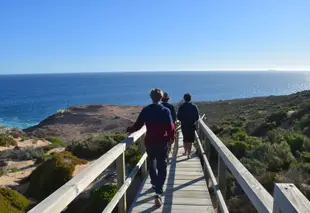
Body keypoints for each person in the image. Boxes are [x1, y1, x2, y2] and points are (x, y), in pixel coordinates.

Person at [127, 88, 175, 207]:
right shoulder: (166, 110)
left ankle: (154, 183)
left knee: (151, 163)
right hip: (162, 142)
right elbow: (170, 127)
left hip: (150, 142)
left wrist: (130, 130)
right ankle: (158, 192)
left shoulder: (146, 110)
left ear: (151, 97)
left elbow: (138, 125)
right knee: (162, 165)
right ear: (161, 97)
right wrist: (172, 138)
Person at [177, 93, 199, 158]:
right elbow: (197, 117)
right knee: (190, 140)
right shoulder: (194, 107)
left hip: (184, 125)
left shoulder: (181, 107)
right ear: (190, 98)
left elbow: (178, 117)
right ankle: (189, 154)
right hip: (192, 125)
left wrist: (183, 120)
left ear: (184, 99)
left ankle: (185, 151)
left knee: (185, 138)